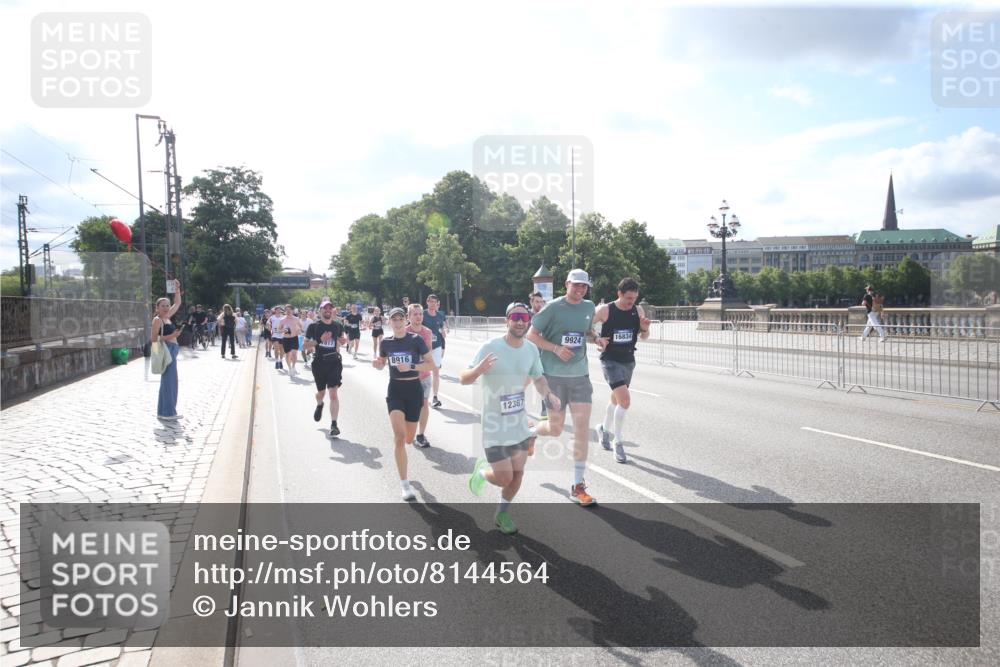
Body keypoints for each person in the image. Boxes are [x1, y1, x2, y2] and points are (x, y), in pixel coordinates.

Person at [462, 302, 560, 534]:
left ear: (528, 321)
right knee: (504, 477)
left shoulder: (531, 349)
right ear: (507, 320)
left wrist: (549, 395)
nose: (520, 321)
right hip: (494, 426)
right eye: (515, 317)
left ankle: (502, 514)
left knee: (517, 475)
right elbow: (463, 378)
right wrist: (478, 370)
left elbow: (538, 378)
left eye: (524, 318)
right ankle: (483, 472)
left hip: (517, 423)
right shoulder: (490, 346)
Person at [526, 269, 599, 507]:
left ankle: (578, 486)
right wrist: (556, 349)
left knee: (581, 430)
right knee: (556, 429)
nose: (580, 290)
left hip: (580, 376)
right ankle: (532, 432)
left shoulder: (589, 307)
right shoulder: (553, 308)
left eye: (584, 286)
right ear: (567, 284)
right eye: (576, 285)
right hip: (554, 378)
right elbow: (531, 335)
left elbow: (585, 332)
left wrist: (596, 339)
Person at [373, 307, 435, 501]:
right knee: (399, 438)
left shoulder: (416, 340)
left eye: (401, 319)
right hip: (395, 391)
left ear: (404, 321)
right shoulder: (386, 343)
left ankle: (412, 439)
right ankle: (404, 484)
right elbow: (382, 361)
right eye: (394, 320)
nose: (398, 322)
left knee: (408, 438)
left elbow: (431, 365)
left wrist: (412, 366)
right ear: (389, 322)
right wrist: (378, 364)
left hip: (414, 391)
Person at [592, 277, 651, 464]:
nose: (631, 302)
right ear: (619, 294)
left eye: (634, 298)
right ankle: (618, 442)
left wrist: (645, 329)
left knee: (616, 400)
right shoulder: (605, 310)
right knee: (625, 401)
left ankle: (603, 429)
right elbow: (586, 326)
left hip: (628, 360)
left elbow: (644, 337)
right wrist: (597, 339)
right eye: (628, 298)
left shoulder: (638, 310)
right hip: (610, 360)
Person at [304, 299, 348, 437]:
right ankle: (319, 403)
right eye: (325, 308)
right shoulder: (314, 326)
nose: (328, 310)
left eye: (330, 308)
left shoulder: (337, 325)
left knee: (333, 393)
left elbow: (342, 337)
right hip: (319, 363)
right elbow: (305, 346)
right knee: (321, 393)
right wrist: (319, 340)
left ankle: (334, 424)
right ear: (320, 310)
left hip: (334, 362)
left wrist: (343, 340)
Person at [153, 282, 184, 420]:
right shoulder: (157, 320)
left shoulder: (166, 317)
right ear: (157, 308)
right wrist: (173, 336)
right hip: (167, 351)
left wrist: (177, 289)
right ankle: (168, 413)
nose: (166, 308)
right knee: (169, 382)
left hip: (172, 350)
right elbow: (153, 339)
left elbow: (177, 303)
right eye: (163, 305)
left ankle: (164, 411)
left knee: (170, 382)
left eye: (167, 305)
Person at [405, 304, 434, 448]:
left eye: (420, 314)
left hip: (424, 375)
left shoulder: (427, 332)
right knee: (409, 406)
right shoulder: (404, 331)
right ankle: (408, 429)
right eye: (415, 314)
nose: (418, 317)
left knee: (424, 405)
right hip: (407, 377)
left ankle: (421, 434)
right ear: (409, 316)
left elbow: (427, 352)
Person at [423, 294, 448, 408]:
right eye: (431, 301)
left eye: (435, 302)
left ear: (437, 303)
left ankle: (435, 397)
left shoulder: (439, 315)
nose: (433, 304)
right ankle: (421, 394)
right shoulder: (422, 314)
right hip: (423, 347)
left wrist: (443, 332)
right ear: (427, 302)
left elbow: (441, 328)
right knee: (422, 372)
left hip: (437, 346)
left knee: (436, 372)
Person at [529, 291, 547, 419]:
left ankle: (544, 409)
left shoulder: (545, 316)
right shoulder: (526, 316)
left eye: (541, 301)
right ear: (531, 302)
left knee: (543, 382)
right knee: (519, 383)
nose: (539, 304)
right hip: (526, 355)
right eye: (537, 301)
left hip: (541, 355)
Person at [278, 304, 305, 377]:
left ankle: (293, 367)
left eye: (290, 310)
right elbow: (278, 330)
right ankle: (289, 368)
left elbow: (300, 326)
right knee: (287, 354)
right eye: (287, 310)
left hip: (294, 338)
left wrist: (299, 330)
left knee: (294, 354)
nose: (288, 311)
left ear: (292, 311)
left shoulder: (296, 319)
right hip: (286, 339)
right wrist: (283, 330)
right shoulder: (282, 320)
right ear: (285, 311)